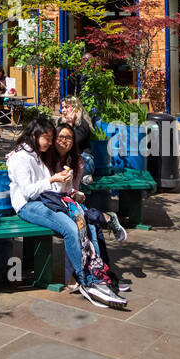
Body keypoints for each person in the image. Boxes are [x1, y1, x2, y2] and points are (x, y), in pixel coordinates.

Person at [6, 119, 125, 309]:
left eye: (51, 138)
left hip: (48, 200)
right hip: (29, 206)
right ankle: (85, 280)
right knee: (71, 229)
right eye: (48, 138)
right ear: (35, 135)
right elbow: (28, 191)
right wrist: (53, 178)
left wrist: (62, 182)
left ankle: (99, 274)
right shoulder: (20, 157)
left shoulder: (37, 154)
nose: (50, 142)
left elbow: (50, 185)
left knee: (85, 221)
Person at [53, 122, 130, 296]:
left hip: (68, 202)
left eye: (69, 138)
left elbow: (72, 188)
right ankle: (79, 277)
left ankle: (103, 273)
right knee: (82, 223)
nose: (65, 141)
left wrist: (76, 193)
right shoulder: (49, 159)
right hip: (51, 203)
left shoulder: (78, 162)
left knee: (92, 225)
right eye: (61, 137)